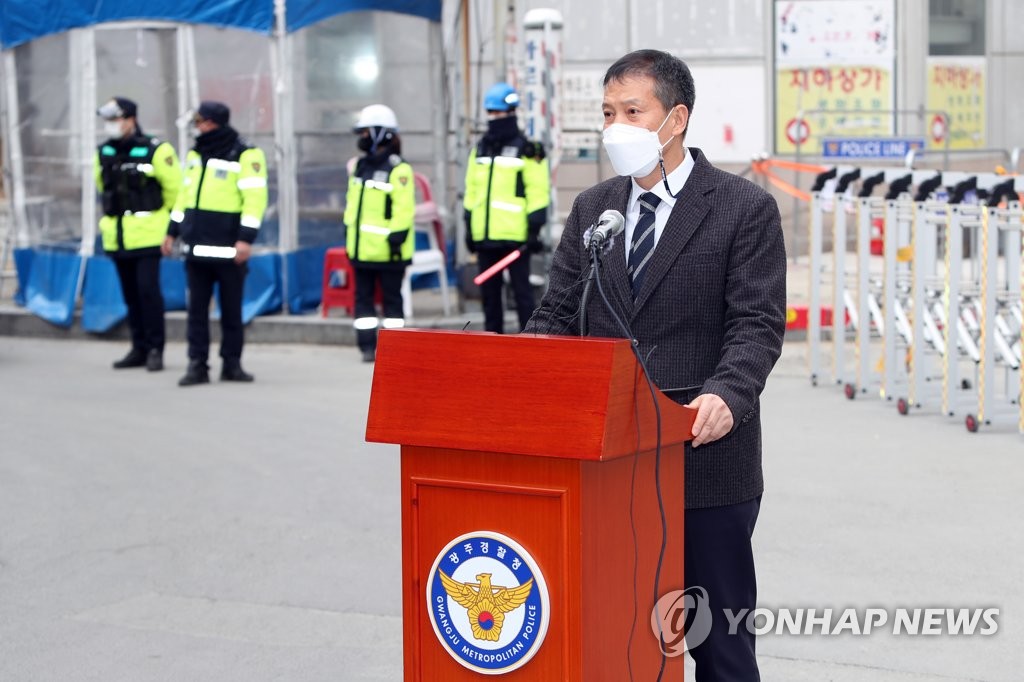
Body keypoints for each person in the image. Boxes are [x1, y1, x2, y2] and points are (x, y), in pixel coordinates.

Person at [523, 50, 786, 680]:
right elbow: (558, 314)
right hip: (608, 463)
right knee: (620, 638)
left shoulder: (742, 208)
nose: (616, 127)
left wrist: (728, 393)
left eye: (632, 112)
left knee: (719, 645)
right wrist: (518, 378)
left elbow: (756, 324)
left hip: (704, 459)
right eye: (608, 113)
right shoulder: (594, 210)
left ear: (675, 119)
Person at [162, 101, 268, 386]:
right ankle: (197, 364)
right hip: (196, 248)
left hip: (229, 249)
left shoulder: (245, 155)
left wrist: (245, 240)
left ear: (212, 123)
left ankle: (232, 364)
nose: (197, 128)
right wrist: (172, 231)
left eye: (200, 122)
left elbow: (254, 201)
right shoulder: (196, 154)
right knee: (196, 312)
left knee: (231, 312)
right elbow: (184, 198)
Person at [95, 96, 182, 372]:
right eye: (107, 121)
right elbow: (103, 187)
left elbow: (176, 192)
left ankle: (156, 348)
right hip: (117, 235)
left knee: (148, 292)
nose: (110, 125)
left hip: (149, 234)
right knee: (130, 294)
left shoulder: (156, 150)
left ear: (131, 119)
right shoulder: (104, 152)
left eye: (115, 119)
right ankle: (138, 347)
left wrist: (172, 230)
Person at [463, 82, 550, 334]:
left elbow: (537, 190)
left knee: (522, 293)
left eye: (499, 113)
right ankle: (492, 341)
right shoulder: (480, 148)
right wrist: (469, 225)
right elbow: (472, 190)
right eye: (490, 113)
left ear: (511, 113)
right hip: (485, 236)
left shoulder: (528, 149)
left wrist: (534, 227)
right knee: (489, 296)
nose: (494, 118)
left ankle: (527, 341)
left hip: (516, 237)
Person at [344, 104, 416, 363]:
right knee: (362, 301)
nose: (361, 138)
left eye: (365, 132)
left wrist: (396, 238)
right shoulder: (360, 166)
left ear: (381, 133)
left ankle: (393, 348)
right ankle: (366, 346)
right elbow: (353, 205)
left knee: (391, 303)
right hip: (361, 248)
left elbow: (403, 208)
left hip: (389, 250)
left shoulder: (399, 169)